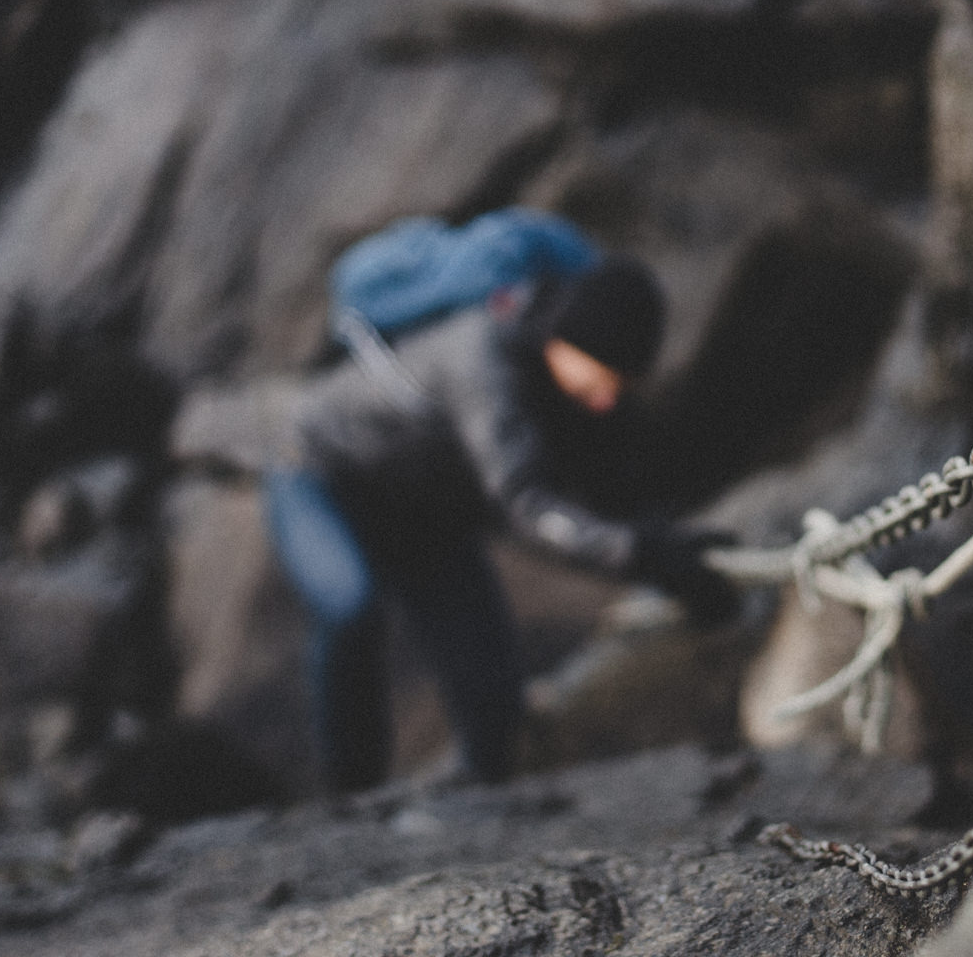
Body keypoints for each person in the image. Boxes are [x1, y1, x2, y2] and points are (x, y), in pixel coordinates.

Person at [265, 250, 738, 792]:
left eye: (621, 387)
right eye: (603, 378)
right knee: (351, 606)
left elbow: (615, 501)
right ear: (570, 340)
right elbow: (525, 505)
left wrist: (677, 554)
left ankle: (466, 801)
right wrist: (646, 557)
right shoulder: (480, 357)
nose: (607, 400)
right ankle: (347, 797)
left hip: (428, 517)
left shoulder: (578, 392)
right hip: (321, 477)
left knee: (494, 719)